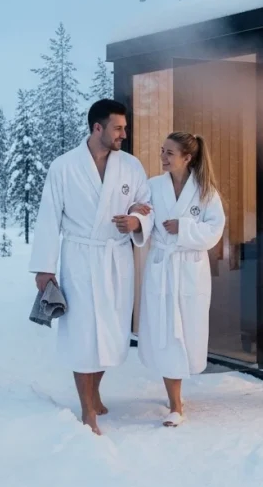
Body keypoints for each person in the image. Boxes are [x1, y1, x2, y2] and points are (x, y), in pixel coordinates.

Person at [29, 99, 153, 435]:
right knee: (84, 332)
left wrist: (136, 220)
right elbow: (48, 217)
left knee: (110, 332)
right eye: (118, 128)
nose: (124, 134)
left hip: (116, 258)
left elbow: (147, 205)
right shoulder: (64, 167)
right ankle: (88, 411)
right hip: (80, 258)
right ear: (97, 128)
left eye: (124, 128)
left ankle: (94, 392)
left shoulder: (130, 166)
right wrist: (44, 268)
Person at [129, 131, 226, 427]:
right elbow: (144, 215)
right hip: (162, 268)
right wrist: (136, 215)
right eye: (162, 151)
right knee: (165, 332)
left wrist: (183, 228)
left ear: (187, 157)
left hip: (189, 270)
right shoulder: (153, 186)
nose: (163, 157)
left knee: (187, 331)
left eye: (169, 153)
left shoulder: (206, 191)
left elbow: (215, 229)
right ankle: (175, 404)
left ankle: (176, 396)